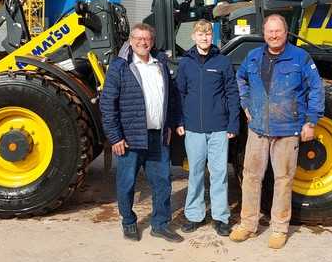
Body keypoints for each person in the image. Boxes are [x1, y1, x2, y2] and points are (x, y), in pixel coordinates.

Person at [230, 14, 324, 249]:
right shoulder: (253, 57)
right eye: (269, 31)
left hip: (287, 129)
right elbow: (240, 78)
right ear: (264, 33)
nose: (273, 35)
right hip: (258, 129)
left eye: (278, 31)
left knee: (283, 180)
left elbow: (316, 88)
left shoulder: (300, 58)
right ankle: (248, 224)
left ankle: (279, 228)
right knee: (251, 177)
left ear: (285, 33)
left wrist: (310, 122)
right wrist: (245, 103)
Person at [100, 22, 183, 243]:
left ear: (152, 41)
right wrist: (115, 136)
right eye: (138, 38)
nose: (142, 42)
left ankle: (160, 224)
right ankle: (128, 222)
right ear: (130, 40)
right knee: (126, 183)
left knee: (162, 183)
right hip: (130, 138)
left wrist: (171, 125)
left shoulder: (161, 64)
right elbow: (108, 103)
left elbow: (172, 98)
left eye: (146, 39)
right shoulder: (120, 66)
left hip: (158, 136)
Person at [175, 20, 240, 237]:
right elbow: (180, 94)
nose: (204, 38)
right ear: (193, 37)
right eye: (201, 34)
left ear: (213, 37)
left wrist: (233, 123)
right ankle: (194, 215)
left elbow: (232, 94)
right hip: (193, 128)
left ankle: (221, 217)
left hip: (219, 128)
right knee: (195, 173)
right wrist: (180, 121)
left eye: (208, 34)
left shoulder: (222, 62)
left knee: (219, 173)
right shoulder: (185, 63)